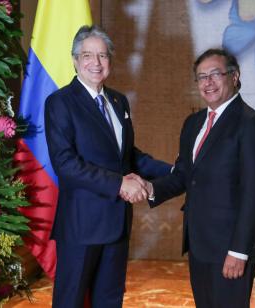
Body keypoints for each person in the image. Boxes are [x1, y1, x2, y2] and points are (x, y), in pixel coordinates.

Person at [44, 25, 171, 308]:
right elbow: (66, 164)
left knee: (110, 301)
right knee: (71, 301)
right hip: (81, 226)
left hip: (116, 225)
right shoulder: (60, 102)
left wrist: (172, 171)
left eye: (102, 56)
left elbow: (127, 157)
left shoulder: (118, 101)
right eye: (87, 55)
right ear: (75, 60)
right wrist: (119, 184)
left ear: (110, 61)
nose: (96, 63)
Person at [146, 48, 255, 307]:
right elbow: (184, 175)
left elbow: (254, 194)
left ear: (235, 76)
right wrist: (149, 189)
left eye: (215, 74)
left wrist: (239, 251)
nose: (208, 82)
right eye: (201, 77)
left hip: (230, 248)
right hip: (199, 244)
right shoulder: (193, 123)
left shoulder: (252, 124)